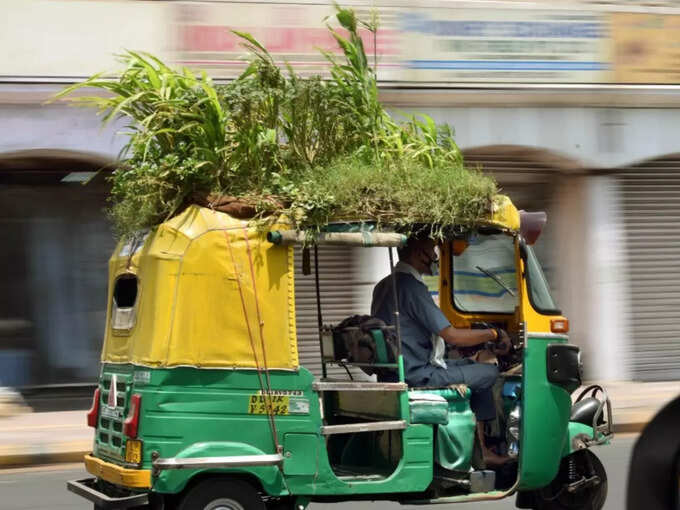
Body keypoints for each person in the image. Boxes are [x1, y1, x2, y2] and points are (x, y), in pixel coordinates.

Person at [371, 236, 511, 466]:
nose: (436, 257)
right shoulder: (412, 287)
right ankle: (484, 449)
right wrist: (493, 335)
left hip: (400, 368)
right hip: (418, 373)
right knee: (488, 373)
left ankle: (482, 440)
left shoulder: (384, 285)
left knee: (470, 366)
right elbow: (452, 335)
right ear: (418, 253)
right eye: (432, 250)